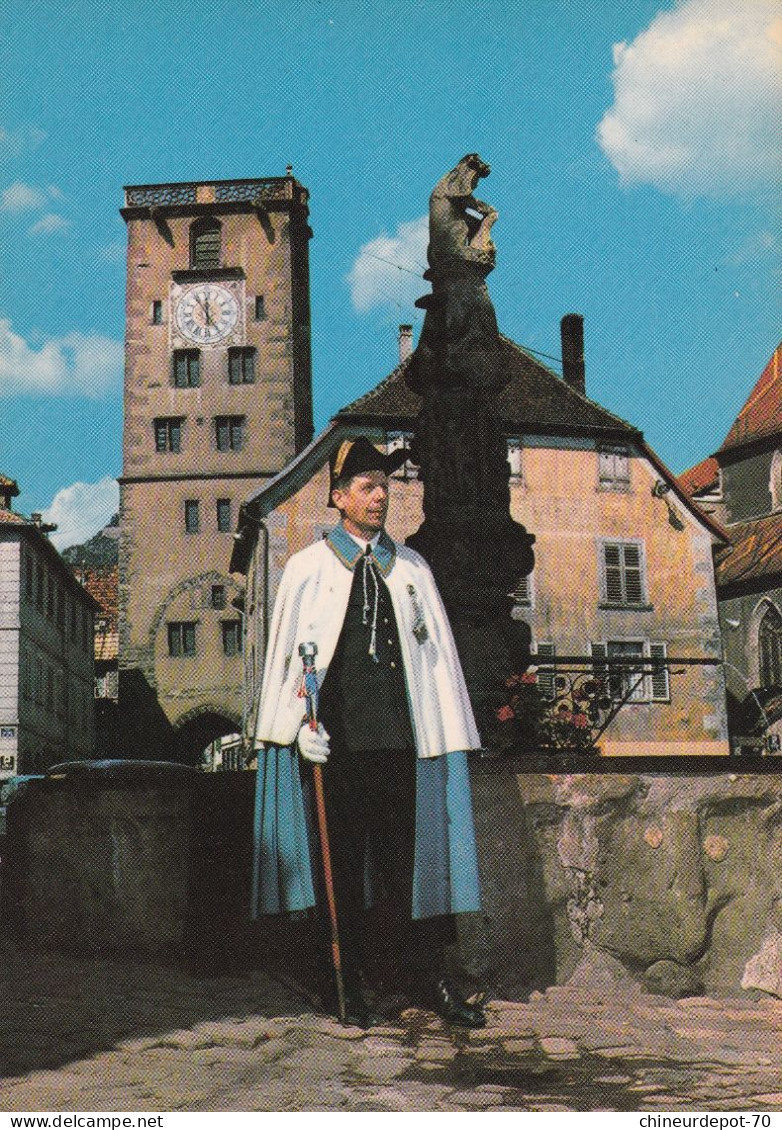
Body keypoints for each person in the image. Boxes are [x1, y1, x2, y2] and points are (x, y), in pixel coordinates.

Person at [250, 436, 485, 1028]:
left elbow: (436, 666)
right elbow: (285, 664)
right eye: (366, 486)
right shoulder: (306, 570)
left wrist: (441, 735)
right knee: (341, 871)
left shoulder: (412, 569)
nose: (379, 497)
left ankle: (424, 978)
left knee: (410, 869)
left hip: (402, 746)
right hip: (337, 750)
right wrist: (294, 729)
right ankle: (345, 981)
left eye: (385, 486)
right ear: (338, 497)